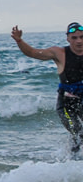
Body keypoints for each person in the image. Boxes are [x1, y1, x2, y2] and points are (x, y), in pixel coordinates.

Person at [11, 23, 83, 154]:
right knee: (78, 131)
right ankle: (71, 163)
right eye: (74, 38)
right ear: (68, 38)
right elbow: (32, 53)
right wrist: (19, 40)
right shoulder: (59, 53)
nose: (79, 41)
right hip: (66, 104)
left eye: (81, 37)